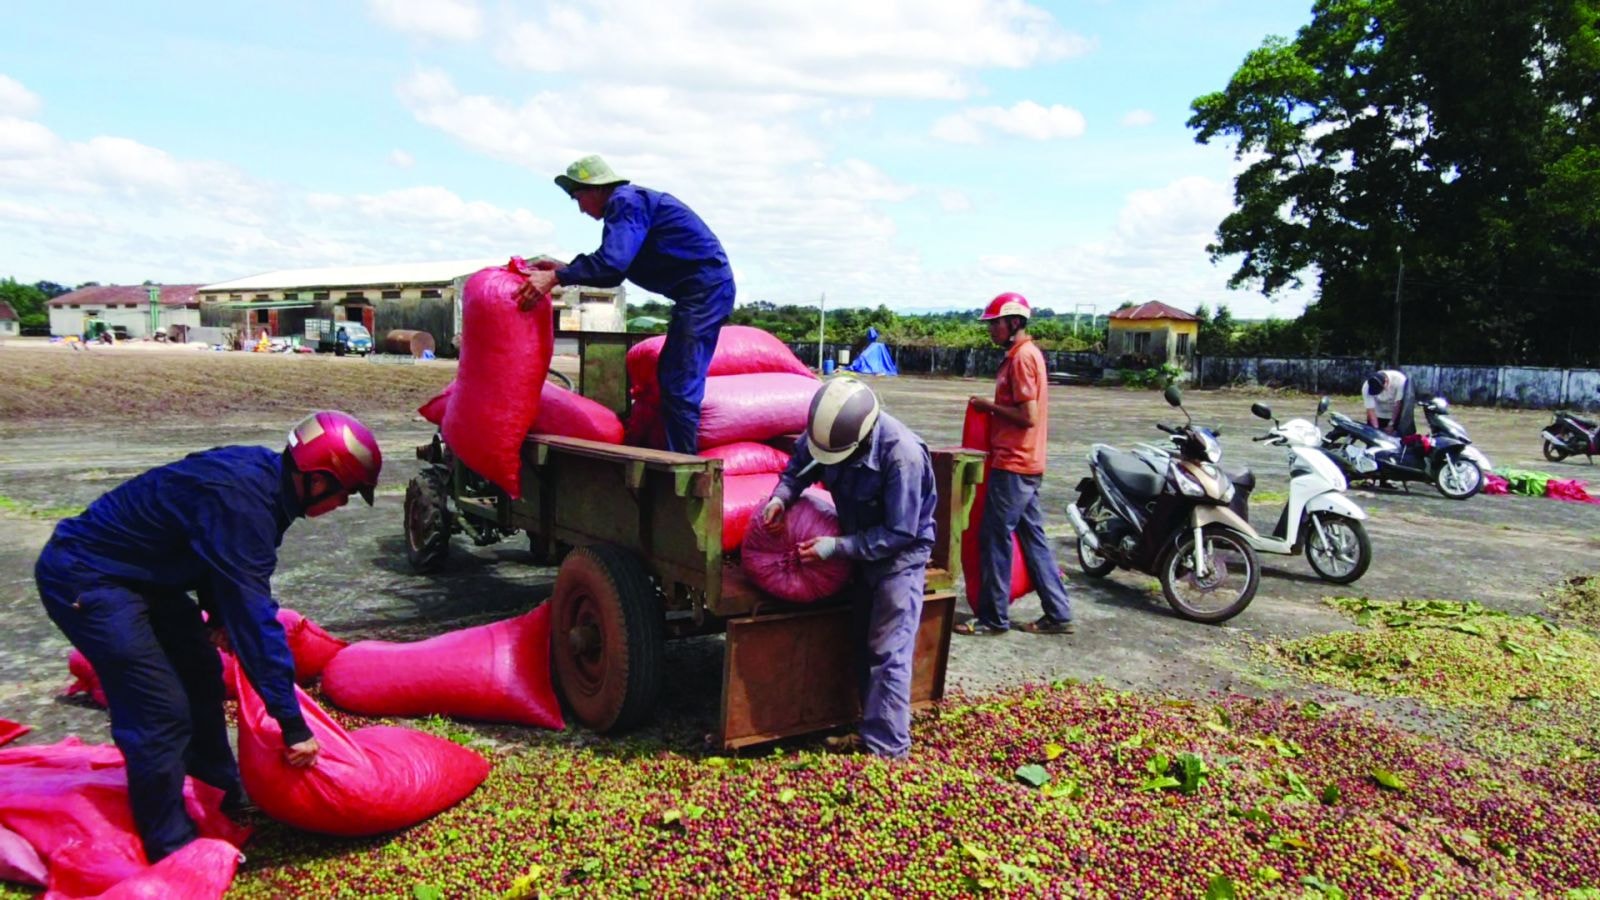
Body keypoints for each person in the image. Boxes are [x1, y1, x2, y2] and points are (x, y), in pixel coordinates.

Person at [33, 411, 382, 863]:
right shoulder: (244, 502)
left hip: (148, 578)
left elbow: (211, 553)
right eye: (346, 492)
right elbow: (256, 618)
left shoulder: (266, 484)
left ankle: (217, 790)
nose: (343, 504)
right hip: (88, 578)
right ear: (317, 480)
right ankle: (172, 847)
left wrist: (217, 615)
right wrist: (292, 724)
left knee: (201, 674)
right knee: (160, 712)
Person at [758, 377, 936, 759]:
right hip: (859, 549)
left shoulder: (901, 455)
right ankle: (867, 727)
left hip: (898, 559)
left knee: (888, 651)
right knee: (860, 641)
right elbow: (798, 470)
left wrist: (835, 547)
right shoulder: (825, 433)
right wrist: (781, 499)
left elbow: (899, 532)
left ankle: (889, 751)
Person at [517, 154, 735, 454]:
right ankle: (676, 454)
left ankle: (685, 467)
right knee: (671, 378)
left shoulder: (625, 202)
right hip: (699, 292)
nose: (580, 209)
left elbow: (611, 265)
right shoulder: (628, 206)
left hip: (706, 291)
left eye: (578, 198)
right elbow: (612, 268)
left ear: (596, 189)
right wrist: (564, 268)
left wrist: (557, 277)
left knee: (678, 381)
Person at [954, 292, 1075, 637]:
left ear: (1015, 323)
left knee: (994, 538)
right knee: (1033, 539)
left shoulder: (1022, 358)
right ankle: (1059, 612)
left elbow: (1027, 415)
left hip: (1015, 463)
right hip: (1026, 463)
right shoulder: (1024, 355)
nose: (991, 329)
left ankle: (993, 618)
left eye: (995, 323)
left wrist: (987, 407)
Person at [1363, 369, 1415, 436]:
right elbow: (1370, 409)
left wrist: (1391, 424)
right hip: (1377, 414)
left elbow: (1398, 404)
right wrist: (1376, 430)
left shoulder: (1400, 380)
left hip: (1393, 414)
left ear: (1386, 382)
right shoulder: (1366, 386)